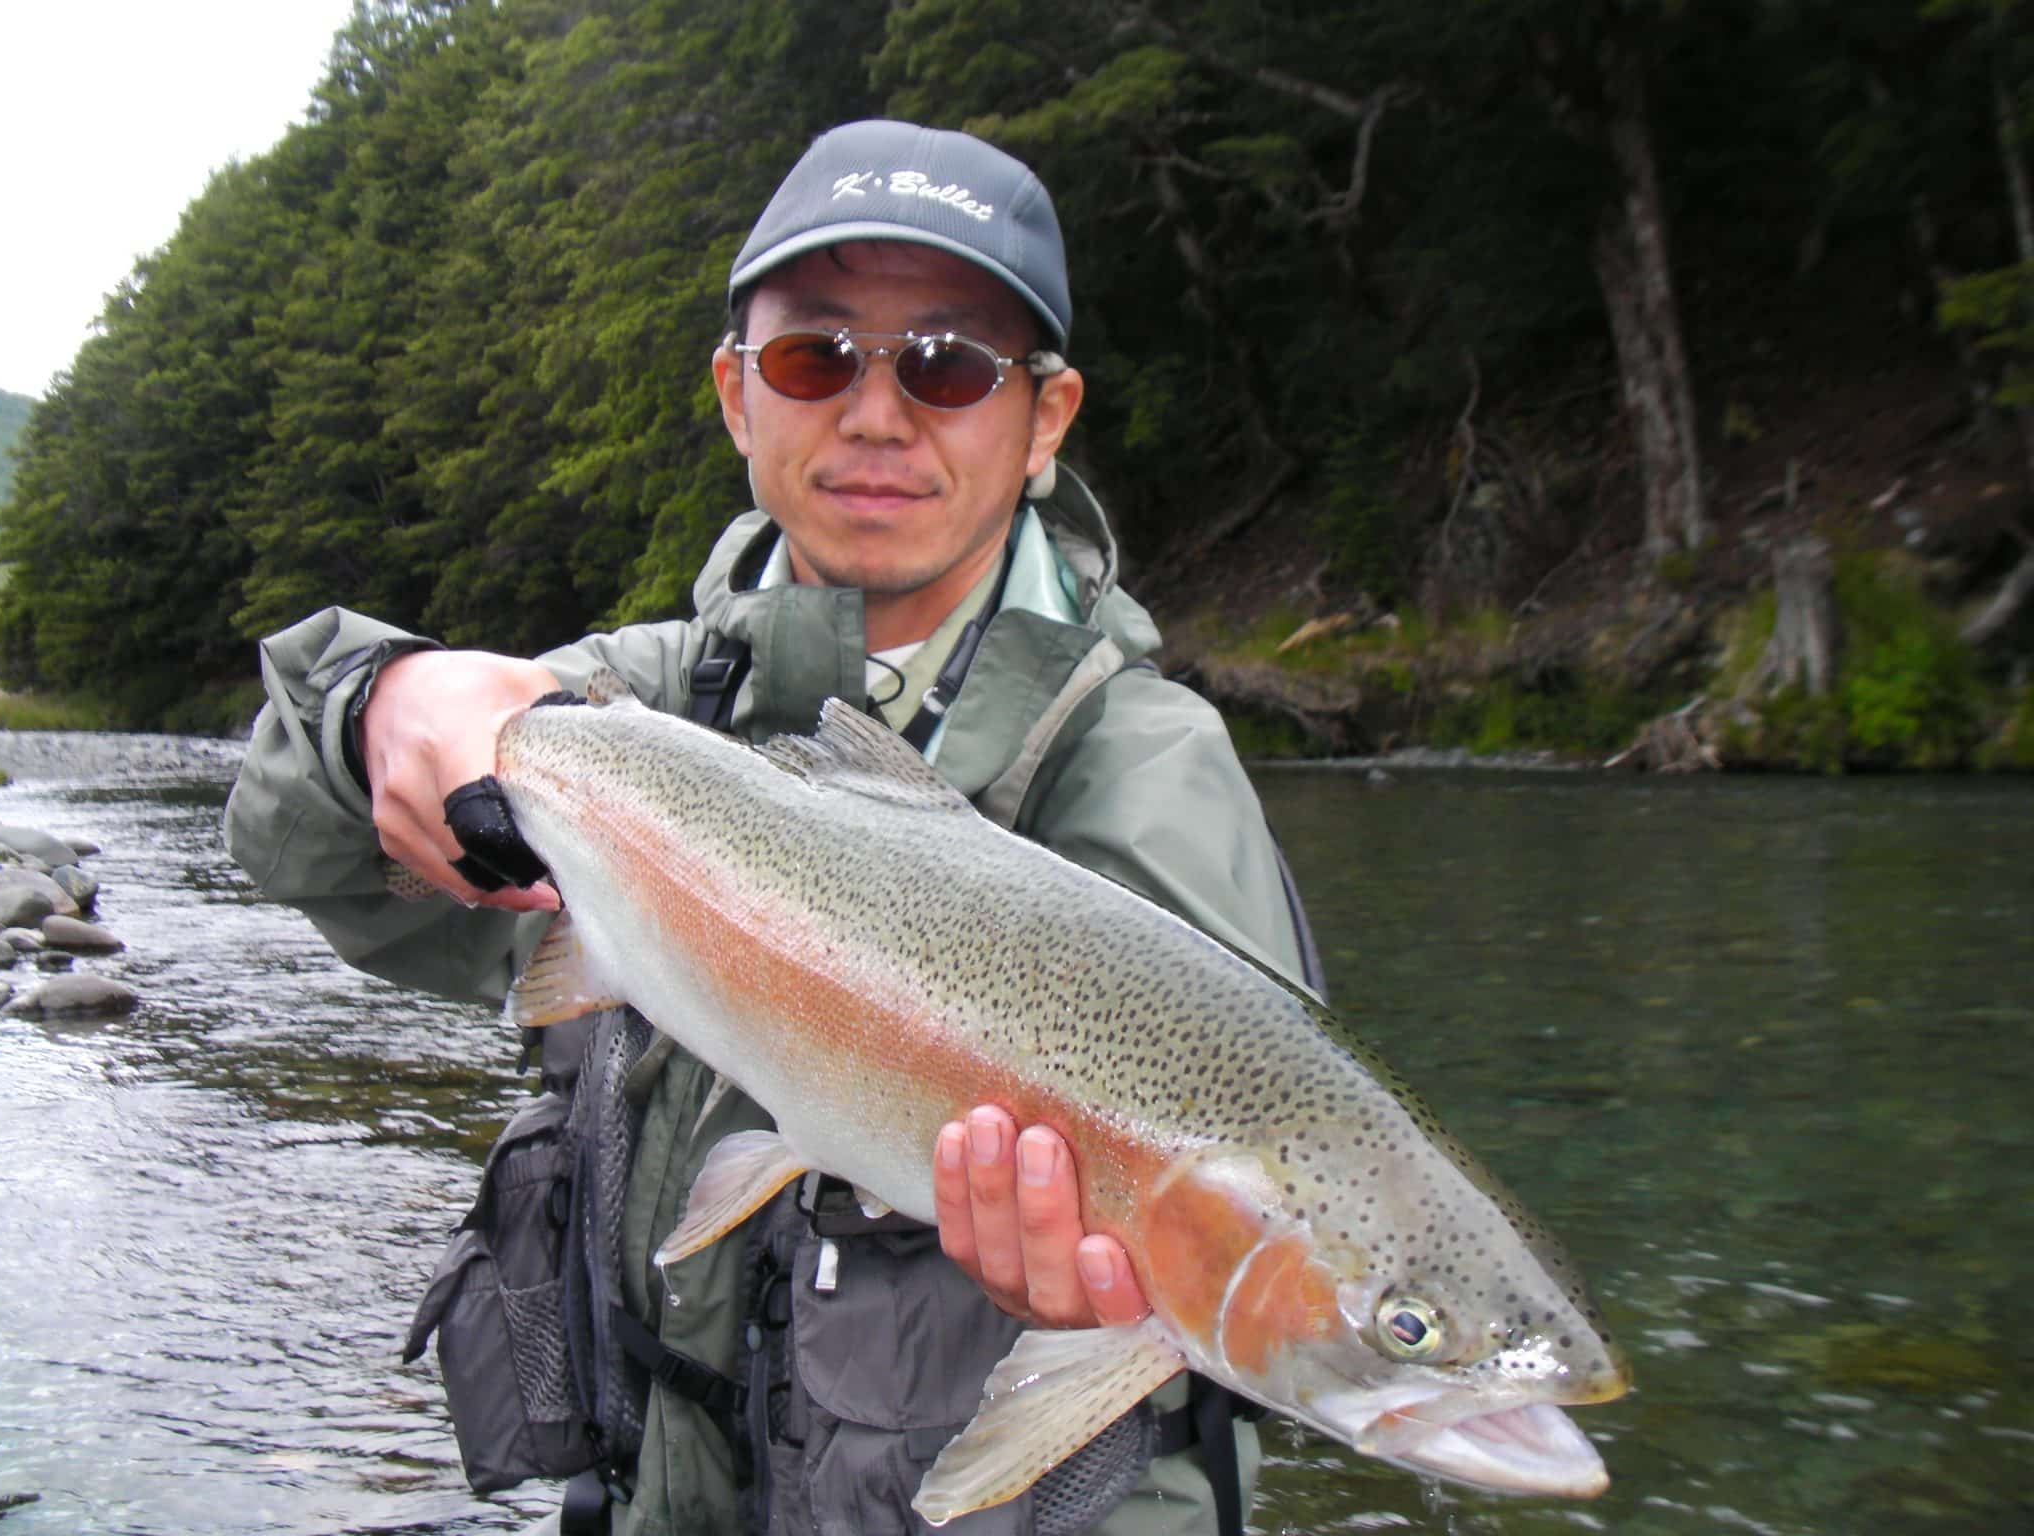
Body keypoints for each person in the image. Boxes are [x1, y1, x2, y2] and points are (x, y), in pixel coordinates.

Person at [224, 119, 1312, 1536]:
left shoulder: (1142, 772)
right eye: (817, 358)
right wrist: (382, 695)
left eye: (949, 363)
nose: (876, 415)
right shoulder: (640, 705)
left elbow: (1248, 1260)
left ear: (1043, 421)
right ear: (740, 397)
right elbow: (301, 850)